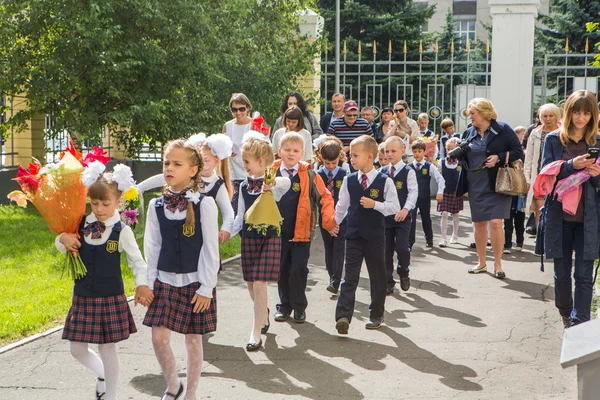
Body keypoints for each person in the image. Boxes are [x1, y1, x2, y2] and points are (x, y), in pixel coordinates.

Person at [56, 168, 152, 400]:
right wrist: (62, 238)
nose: (99, 209)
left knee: (107, 348)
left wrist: (142, 285)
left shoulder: (122, 231)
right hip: (82, 296)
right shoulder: (80, 225)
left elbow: (138, 262)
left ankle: (111, 395)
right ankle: (102, 374)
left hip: (109, 297)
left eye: (105, 204)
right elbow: (63, 244)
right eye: (94, 203)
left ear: (118, 202)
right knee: (76, 348)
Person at [143, 139, 220, 400]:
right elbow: (151, 247)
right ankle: (174, 385)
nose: (170, 168)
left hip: (195, 283)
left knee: (193, 339)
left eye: (177, 163)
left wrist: (206, 287)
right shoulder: (156, 206)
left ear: (193, 169)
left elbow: (211, 249)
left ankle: (192, 395)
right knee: (158, 338)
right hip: (164, 280)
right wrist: (148, 281)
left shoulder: (204, 204)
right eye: (167, 163)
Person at [540, 90, 600, 328]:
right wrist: (569, 165)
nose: (581, 118)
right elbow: (545, 174)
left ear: (593, 114)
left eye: (586, 112)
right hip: (559, 215)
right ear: (568, 112)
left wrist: (596, 176)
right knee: (562, 273)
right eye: (576, 112)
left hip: (589, 217)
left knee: (584, 276)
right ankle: (566, 312)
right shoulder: (554, 139)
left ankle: (580, 323)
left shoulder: (597, 140)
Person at [229, 131, 291, 351]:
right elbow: (240, 216)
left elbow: (286, 184)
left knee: (259, 282)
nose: (243, 164)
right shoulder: (243, 187)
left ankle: (256, 332)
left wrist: (271, 184)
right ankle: (262, 313)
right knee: (250, 283)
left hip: (269, 237)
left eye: (246, 161)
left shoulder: (272, 182)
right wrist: (226, 232)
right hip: (249, 237)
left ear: (261, 161)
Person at [333, 135, 400, 334]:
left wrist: (375, 205)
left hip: (375, 237)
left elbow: (395, 207)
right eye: (349, 155)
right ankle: (343, 316)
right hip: (353, 236)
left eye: (355, 155)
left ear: (369, 156)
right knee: (350, 277)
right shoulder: (349, 180)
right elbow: (341, 206)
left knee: (377, 276)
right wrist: (334, 224)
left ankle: (376, 314)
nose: (351, 159)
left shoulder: (384, 181)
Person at [455, 98, 524, 279]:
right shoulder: (469, 133)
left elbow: (518, 151)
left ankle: (498, 264)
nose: (470, 117)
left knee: (495, 223)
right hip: (475, 185)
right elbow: (464, 158)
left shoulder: (503, 129)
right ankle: (481, 262)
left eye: (472, 113)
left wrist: (499, 157)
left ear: (484, 113)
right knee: (478, 224)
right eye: (469, 114)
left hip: (498, 184)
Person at [272, 133, 337, 323]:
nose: (291, 154)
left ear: (302, 153)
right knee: (282, 269)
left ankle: (299, 307)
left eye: (295, 151)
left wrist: (329, 222)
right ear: (279, 152)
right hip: (278, 232)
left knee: (298, 269)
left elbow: (325, 197)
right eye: (287, 150)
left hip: (301, 232)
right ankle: (284, 306)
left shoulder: (309, 174)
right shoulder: (272, 172)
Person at [380, 136, 417, 295]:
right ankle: (388, 281)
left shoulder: (409, 171)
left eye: (393, 151)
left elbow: (413, 193)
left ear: (403, 151)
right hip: (386, 219)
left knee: (402, 247)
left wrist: (405, 209)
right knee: (386, 251)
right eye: (387, 151)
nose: (389, 154)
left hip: (402, 218)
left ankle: (404, 271)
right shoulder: (382, 172)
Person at [316, 137, 349, 294]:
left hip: (342, 217)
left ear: (339, 158)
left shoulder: (345, 174)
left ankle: (336, 280)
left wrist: (338, 219)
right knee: (329, 247)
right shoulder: (317, 175)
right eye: (327, 163)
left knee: (339, 247)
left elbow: (348, 198)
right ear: (321, 158)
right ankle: (332, 276)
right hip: (324, 218)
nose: (330, 167)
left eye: (333, 163)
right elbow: (316, 198)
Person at [524, 103, 561, 233]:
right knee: (540, 210)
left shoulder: (562, 132)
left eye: (551, 115)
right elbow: (528, 158)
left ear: (556, 116)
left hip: (557, 177)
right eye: (544, 116)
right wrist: (527, 179)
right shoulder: (535, 133)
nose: (548, 118)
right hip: (539, 176)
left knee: (555, 210)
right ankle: (540, 239)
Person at [408, 140, 445, 248]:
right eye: (414, 151)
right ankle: (410, 242)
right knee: (411, 220)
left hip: (424, 197)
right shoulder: (409, 166)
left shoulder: (429, 166)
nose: (417, 154)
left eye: (419, 151)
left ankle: (429, 238)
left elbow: (440, 179)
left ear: (424, 152)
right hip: (412, 198)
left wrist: (440, 192)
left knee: (426, 219)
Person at [222, 93, 253, 215]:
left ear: (248, 108)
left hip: (251, 173)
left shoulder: (254, 124)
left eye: (241, 109)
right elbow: (221, 150)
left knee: (249, 212)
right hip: (233, 174)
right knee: (235, 212)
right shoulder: (227, 126)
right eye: (234, 110)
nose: (238, 113)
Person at [503, 126, 527, 254]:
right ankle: (507, 245)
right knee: (507, 221)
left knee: (519, 221)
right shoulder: (508, 156)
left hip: (520, 196)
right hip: (508, 193)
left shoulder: (523, 157)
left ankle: (519, 242)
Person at [438, 138, 464, 247]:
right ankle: (443, 238)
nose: (450, 151)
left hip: (456, 191)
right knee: (444, 214)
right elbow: (439, 177)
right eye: (448, 149)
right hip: (445, 191)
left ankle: (455, 235)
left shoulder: (461, 162)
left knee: (456, 214)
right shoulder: (442, 162)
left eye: (453, 149)